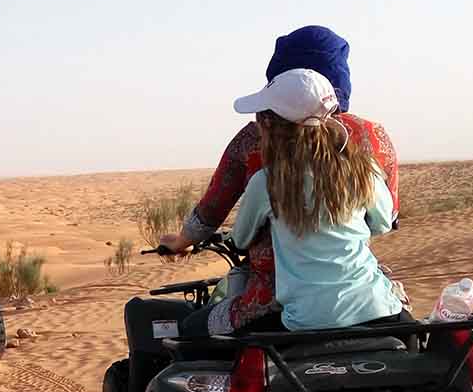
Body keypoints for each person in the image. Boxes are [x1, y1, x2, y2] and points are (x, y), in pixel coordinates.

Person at [158, 25, 399, 335]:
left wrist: (182, 241)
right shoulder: (371, 142)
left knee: (187, 334)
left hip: (273, 303)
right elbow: (386, 219)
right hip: (370, 298)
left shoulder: (256, 153)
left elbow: (212, 212)